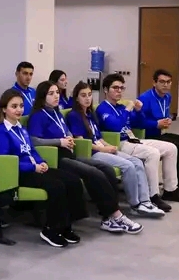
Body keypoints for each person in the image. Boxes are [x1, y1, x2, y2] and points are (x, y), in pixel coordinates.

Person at [28, 81, 142, 234]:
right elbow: (34, 140)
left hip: (70, 154)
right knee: (93, 173)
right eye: (51, 93)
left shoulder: (56, 112)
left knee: (106, 169)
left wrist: (68, 137)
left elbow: (66, 130)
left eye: (57, 93)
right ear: (42, 96)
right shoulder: (38, 116)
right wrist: (59, 141)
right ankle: (116, 215)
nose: (56, 96)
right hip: (56, 157)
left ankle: (108, 217)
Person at [0, 90, 86, 248]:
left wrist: (42, 162)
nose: (19, 110)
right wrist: (33, 167)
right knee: (56, 186)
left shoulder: (21, 128)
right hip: (18, 173)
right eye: (14, 106)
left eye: (21, 106)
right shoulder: (0, 132)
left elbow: (32, 150)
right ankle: (51, 229)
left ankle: (66, 225)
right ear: (4, 109)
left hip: (34, 167)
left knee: (72, 180)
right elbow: (6, 161)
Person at [66, 82, 165, 220]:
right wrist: (103, 149)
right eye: (83, 95)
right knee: (128, 166)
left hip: (101, 148)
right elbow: (81, 141)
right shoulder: (74, 115)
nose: (87, 98)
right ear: (76, 98)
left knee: (137, 162)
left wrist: (109, 146)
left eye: (89, 95)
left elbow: (98, 137)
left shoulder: (90, 113)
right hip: (92, 153)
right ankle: (135, 204)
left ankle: (145, 201)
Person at [96, 74, 179, 211]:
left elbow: (139, 123)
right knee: (152, 153)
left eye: (121, 88)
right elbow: (116, 126)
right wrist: (128, 109)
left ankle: (170, 190)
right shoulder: (103, 108)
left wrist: (138, 111)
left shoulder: (120, 107)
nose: (119, 91)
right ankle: (153, 195)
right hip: (118, 143)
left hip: (132, 140)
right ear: (106, 90)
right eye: (115, 88)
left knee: (171, 148)